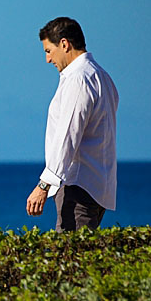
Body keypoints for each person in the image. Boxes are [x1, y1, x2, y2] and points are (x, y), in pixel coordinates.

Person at [26, 17, 119, 231]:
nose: (48, 60)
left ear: (65, 44)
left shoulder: (79, 79)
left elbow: (68, 136)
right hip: (98, 188)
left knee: (70, 261)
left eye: (48, 51)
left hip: (78, 187)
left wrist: (43, 185)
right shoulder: (102, 77)